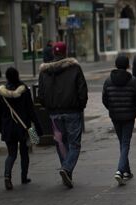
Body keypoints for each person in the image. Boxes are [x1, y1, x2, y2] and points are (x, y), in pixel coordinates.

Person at [38, 41, 88, 189]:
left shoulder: (44, 71)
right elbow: (82, 90)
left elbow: (40, 94)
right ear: (66, 52)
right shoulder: (74, 68)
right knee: (74, 143)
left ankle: (66, 170)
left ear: (53, 52)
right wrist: (81, 106)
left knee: (61, 143)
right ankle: (67, 169)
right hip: (72, 111)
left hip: (54, 114)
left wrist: (48, 106)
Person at [0, 67, 42, 190]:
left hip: (8, 128)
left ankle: (7, 176)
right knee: (24, 153)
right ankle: (24, 177)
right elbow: (31, 111)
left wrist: (0, 127)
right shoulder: (24, 90)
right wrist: (37, 126)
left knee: (11, 154)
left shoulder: (1, 93)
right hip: (23, 127)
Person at [102, 55, 136, 186]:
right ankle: (120, 170)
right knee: (125, 143)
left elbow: (105, 99)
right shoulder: (133, 81)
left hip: (115, 116)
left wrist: (112, 108)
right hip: (129, 116)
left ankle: (126, 171)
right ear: (127, 65)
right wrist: (133, 108)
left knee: (122, 143)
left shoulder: (108, 81)